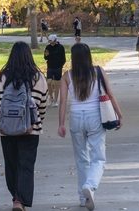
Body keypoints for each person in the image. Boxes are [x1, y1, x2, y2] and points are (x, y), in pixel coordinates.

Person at [58, 43, 122, 210]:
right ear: (89, 56)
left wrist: (61, 124)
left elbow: (63, 101)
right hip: (95, 117)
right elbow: (110, 94)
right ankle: (90, 186)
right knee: (99, 158)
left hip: (76, 118)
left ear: (73, 58)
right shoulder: (98, 71)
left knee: (81, 158)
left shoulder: (67, 76)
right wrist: (119, 114)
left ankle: (82, 197)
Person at [0, 42, 48, 211]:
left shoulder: (3, 78)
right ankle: (20, 199)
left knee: (12, 165)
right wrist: (37, 121)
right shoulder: (38, 77)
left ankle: (16, 198)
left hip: (7, 130)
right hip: (30, 130)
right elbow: (42, 104)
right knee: (26, 165)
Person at [43, 35, 66, 107]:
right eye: (49, 41)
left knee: (57, 85)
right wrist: (46, 54)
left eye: (51, 41)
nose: (50, 43)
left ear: (55, 40)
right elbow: (45, 57)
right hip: (50, 67)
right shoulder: (48, 47)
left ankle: (55, 100)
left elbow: (63, 58)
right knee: (49, 82)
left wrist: (61, 65)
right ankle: (51, 98)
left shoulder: (60, 47)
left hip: (58, 68)